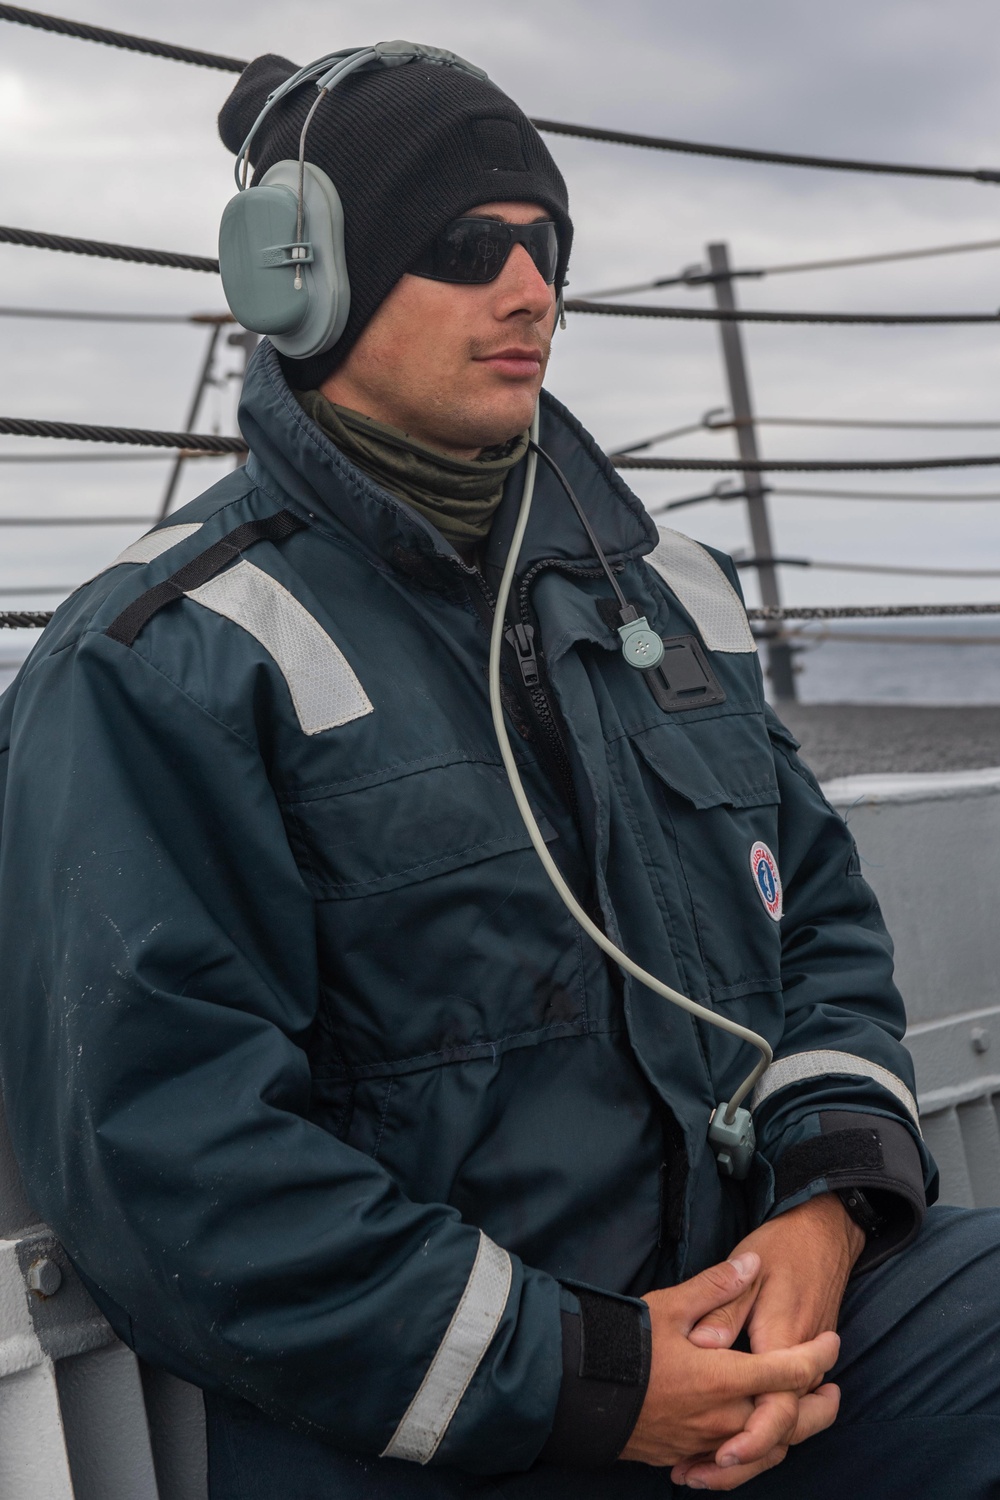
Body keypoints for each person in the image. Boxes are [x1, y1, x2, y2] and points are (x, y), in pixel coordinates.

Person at [0, 43, 997, 1500]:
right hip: (453, 1418)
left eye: (550, 248)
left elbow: (824, 928)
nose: (532, 292)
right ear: (302, 282)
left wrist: (826, 1214)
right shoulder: (164, 663)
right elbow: (173, 1158)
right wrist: (600, 1379)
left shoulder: (674, 594)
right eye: (471, 249)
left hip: (762, 1311)